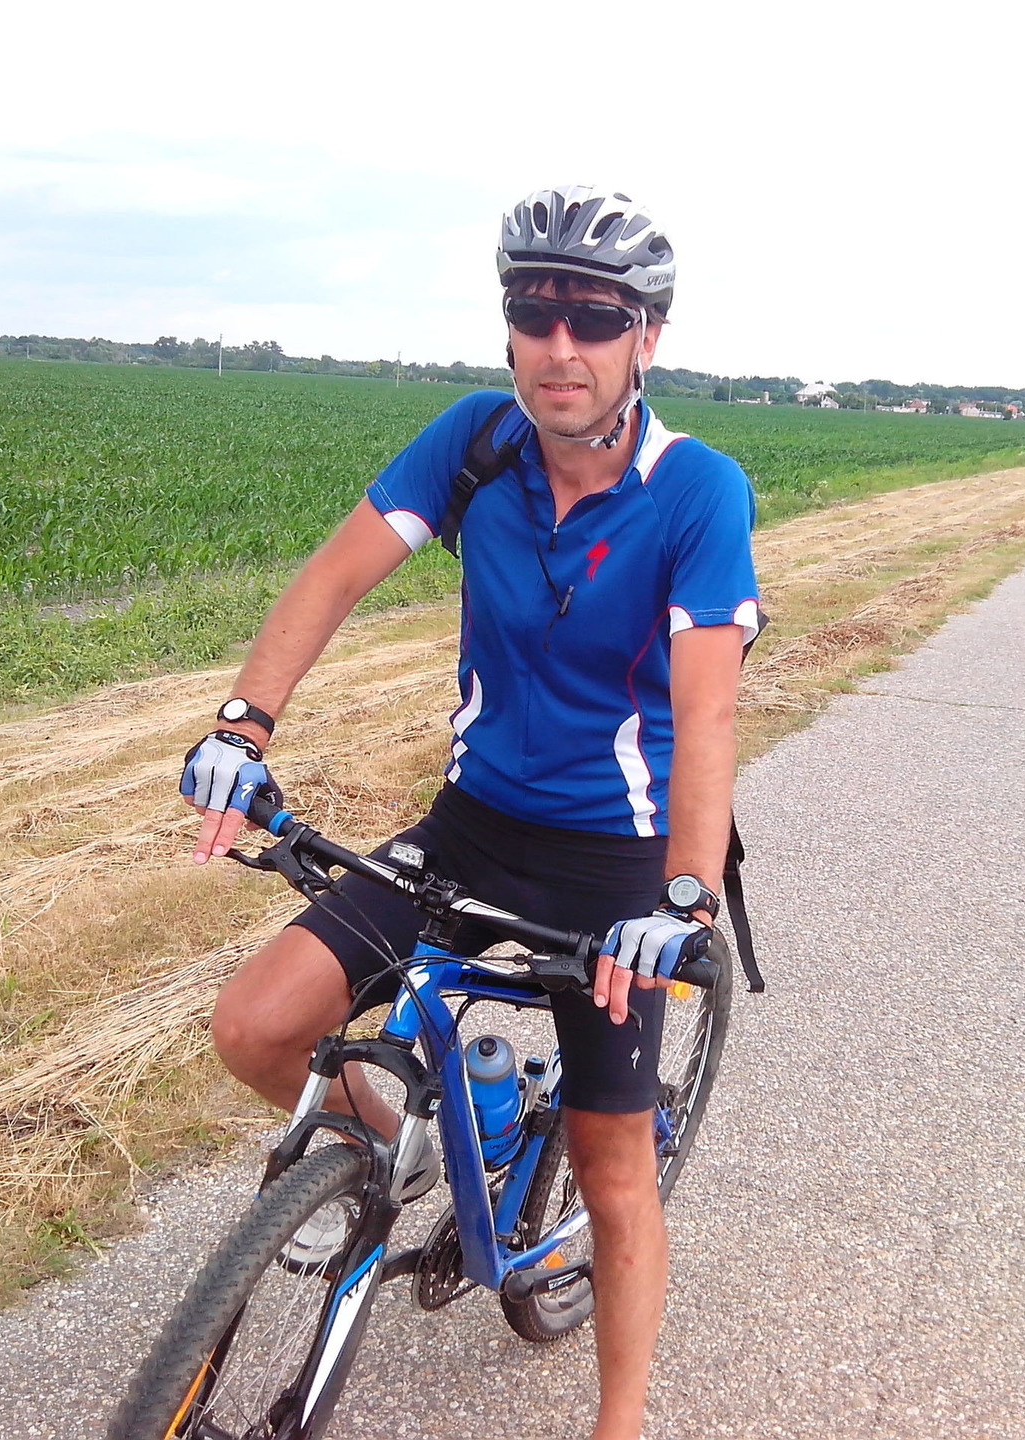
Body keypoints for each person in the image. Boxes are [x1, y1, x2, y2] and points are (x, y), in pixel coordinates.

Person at [180, 183, 759, 1440]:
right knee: (257, 1028)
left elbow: (707, 715)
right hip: (470, 826)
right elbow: (332, 578)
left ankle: (619, 1423)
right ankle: (404, 1155)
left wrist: (684, 896)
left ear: (646, 339)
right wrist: (242, 724)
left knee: (612, 1166)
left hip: (620, 863)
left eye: (594, 319)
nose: (561, 345)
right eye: (534, 313)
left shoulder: (698, 491)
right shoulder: (476, 442)